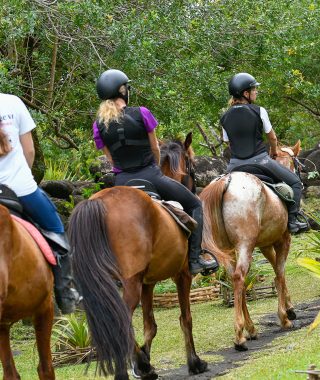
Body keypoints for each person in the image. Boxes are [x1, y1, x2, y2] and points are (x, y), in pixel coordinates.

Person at [93, 69, 218, 275]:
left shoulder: (98, 125)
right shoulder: (142, 113)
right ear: (123, 90)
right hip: (151, 175)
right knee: (195, 204)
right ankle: (195, 259)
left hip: (122, 181)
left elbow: (110, 159)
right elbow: (155, 148)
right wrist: (154, 168)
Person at [0, 92, 80, 314]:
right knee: (56, 230)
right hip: (21, 190)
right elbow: (30, 151)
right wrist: (20, 176)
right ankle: (65, 294)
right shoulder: (13, 102)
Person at [220, 72, 309, 234]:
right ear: (245, 93)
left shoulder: (224, 117)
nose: (256, 92)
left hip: (234, 165)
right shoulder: (259, 111)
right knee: (295, 182)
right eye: (253, 89)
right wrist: (274, 152)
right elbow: (272, 137)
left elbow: (228, 142)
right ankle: (293, 220)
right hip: (260, 161)